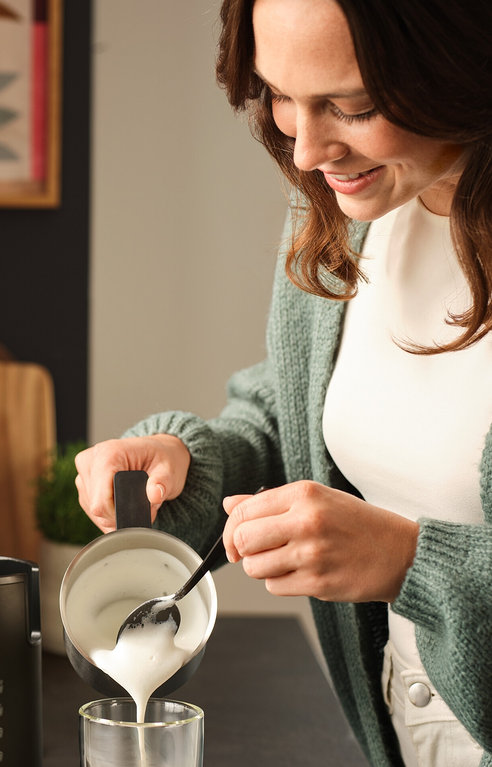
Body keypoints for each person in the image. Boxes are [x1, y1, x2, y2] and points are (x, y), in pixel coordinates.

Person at [73, 1, 492, 766]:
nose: (305, 150)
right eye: (279, 96)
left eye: (353, 106)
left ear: (460, 64)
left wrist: (410, 563)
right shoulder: (348, 207)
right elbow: (304, 413)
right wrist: (194, 467)